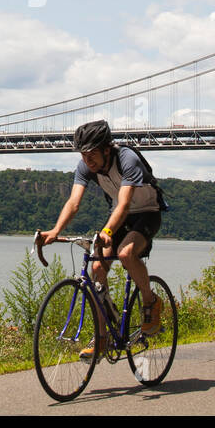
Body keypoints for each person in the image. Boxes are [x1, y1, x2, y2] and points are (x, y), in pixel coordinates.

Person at [40, 119, 164, 357]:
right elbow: (74, 203)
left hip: (147, 214)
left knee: (127, 253)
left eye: (92, 155)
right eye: (83, 156)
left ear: (107, 148)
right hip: (120, 217)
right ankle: (103, 337)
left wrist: (107, 232)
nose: (88, 161)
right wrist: (55, 231)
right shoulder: (85, 166)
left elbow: (125, 203)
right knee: (97, 267)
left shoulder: (128, 159)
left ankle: (150, 301)